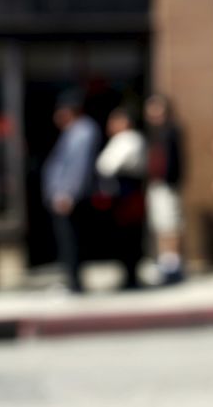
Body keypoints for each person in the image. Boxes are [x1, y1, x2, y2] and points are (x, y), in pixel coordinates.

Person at [42, 92, 101, 293]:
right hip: (63, 195)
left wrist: (68, 194)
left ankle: (75, 282)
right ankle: (71, 279)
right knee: (67, 240)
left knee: (72, 240)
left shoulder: (84, 130)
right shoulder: (72, 131)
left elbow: (79, 167)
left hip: (70, 197)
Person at [96, 107, 146, 290]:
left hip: (129, 194)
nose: (110, 125)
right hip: (120, 194)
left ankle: (131, 276)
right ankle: (127, 274)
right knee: (123, 237)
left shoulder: (130, 139)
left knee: (130, 237)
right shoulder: (119, 140)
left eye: (114, 121)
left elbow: (107, 165)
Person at [144, 95, 185, 285]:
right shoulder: (152, 133)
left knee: (171, 225)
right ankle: (164, 263)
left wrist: (173, 181)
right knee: (160, 226)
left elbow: (179, 161)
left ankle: (173, 265)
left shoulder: (172, 130)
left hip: (168, 185)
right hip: (155, 185)